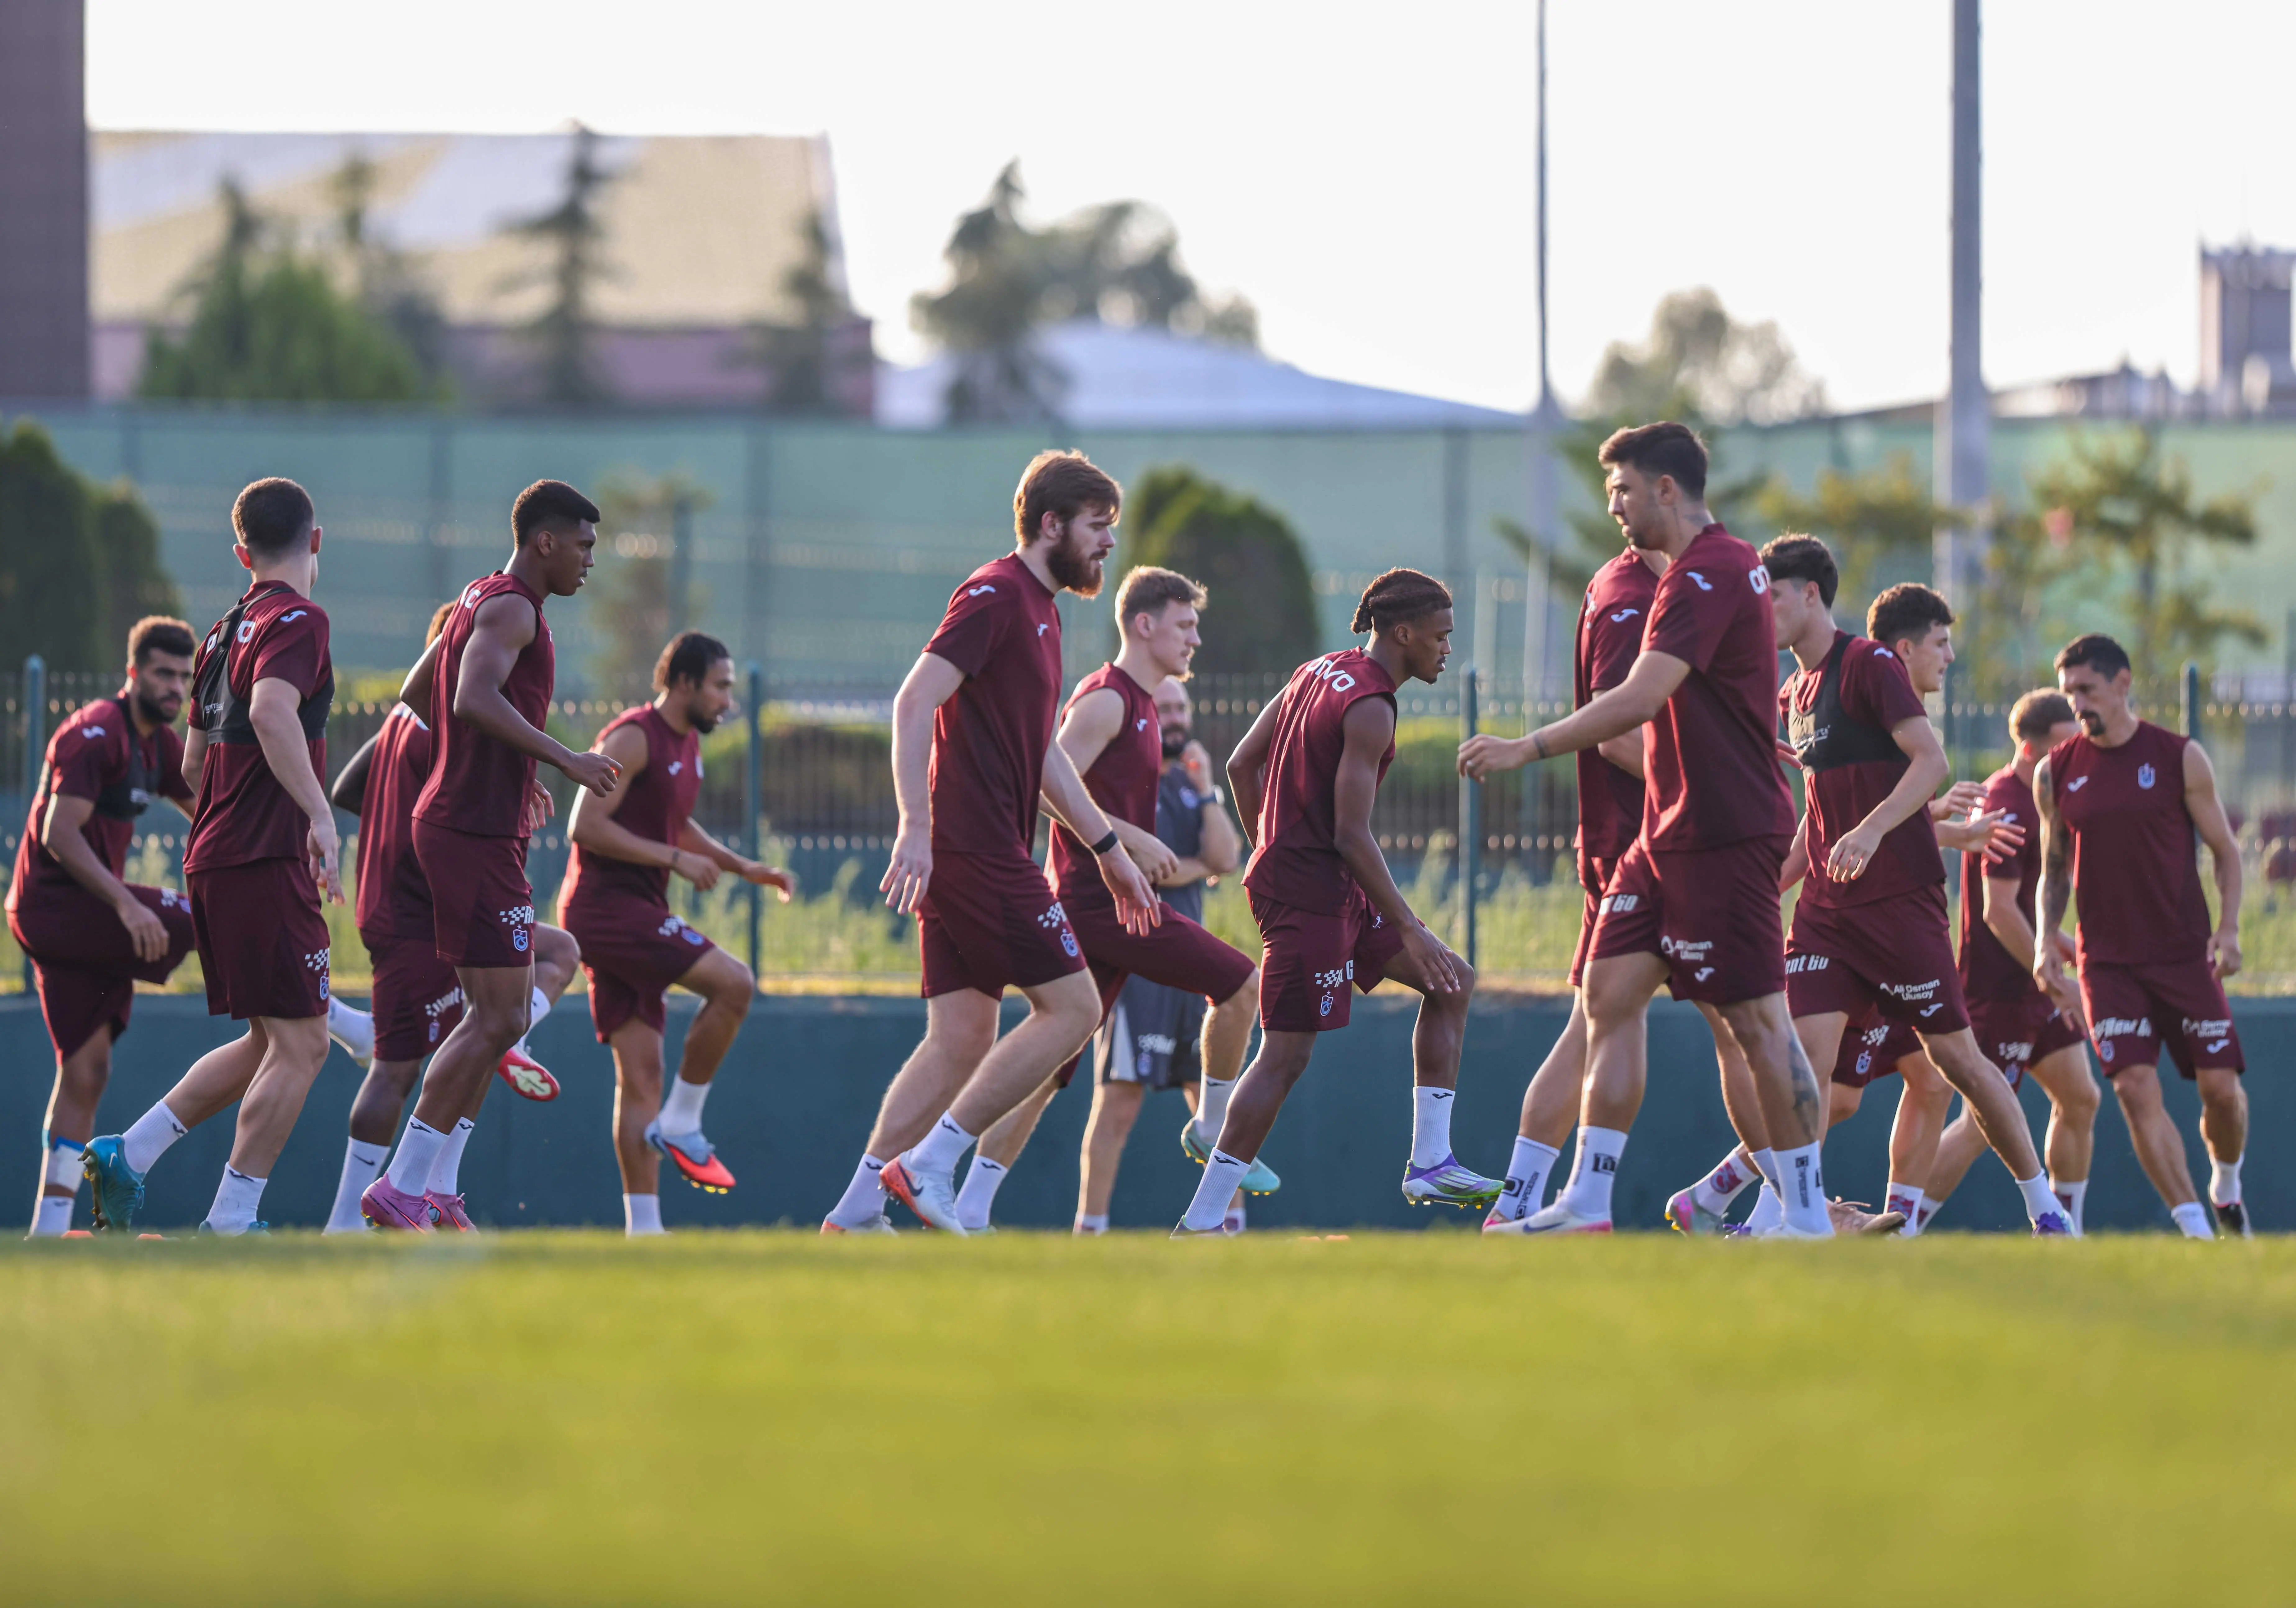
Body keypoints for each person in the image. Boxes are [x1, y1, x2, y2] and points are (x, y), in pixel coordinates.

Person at [1458, 424, 1826, 1236]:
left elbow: (1636, 699)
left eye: (1622, 489)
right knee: (1605, 995)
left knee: (1754, 1025)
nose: (1613, 507)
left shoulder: (1710, 569)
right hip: (1660, 838)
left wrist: (1527, 746)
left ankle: (1805, 1212)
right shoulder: (1670, 575)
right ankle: (1586, 1203)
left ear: (1666, 488)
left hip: (1724, 836)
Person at [821, 450, 1158, 1235]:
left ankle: (855, 1210)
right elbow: (913, 702)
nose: (1109, 542)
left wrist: (1107, 849)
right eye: (1097, 526)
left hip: (975, 850)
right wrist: (914, 826)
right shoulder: (996, 594)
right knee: (1074, 1009)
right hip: (974, 850)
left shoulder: (1042, 611)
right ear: (1051, 525)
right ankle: (930, 1165)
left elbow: (1043, 757)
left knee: (962, 1037)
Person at [1174, 566, 1495, 1237]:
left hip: (1327, 883)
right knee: (1284, 1056)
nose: (1446, 649)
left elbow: (1241, 764)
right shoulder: (1371, 706)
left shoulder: (1317, 669)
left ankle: (1430, 1162)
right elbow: (1351, 834)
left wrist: (1272, 845)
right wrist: (1408, 927)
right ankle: (1201, 1220)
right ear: (1401, 633)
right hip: (1309, 897)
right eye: (1439, 636)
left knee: (1452, 981)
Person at [82, 478, 364, 1235]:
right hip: (263, 857)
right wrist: (318, 817)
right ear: (316, 540)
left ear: (242, 553)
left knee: (270, 1040)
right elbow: (272, 711)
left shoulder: (220, 633)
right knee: (304, 1045)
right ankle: (233, 1220)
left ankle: (129, 1152)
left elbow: (193, 763)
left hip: (217, 855)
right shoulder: (301, 618)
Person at [942, 570, 1261, 1234]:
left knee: (1046, 1073)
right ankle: (1210, 1128)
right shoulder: (1107, 699)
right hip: (1096, 909)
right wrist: (1125, 841)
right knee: (1240, 984)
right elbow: (1037, 784)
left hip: (1115, 909)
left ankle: (965, 1205)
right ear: (1144, 625)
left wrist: (1129, 843)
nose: (1195, 639)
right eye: (1184, 624)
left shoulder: (1141, 705)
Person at [1757, 553, 2066, 1234]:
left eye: (1770, 594)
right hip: (1827, 915)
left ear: (1810, 595)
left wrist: (1871, 831)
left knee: (1954, 1063)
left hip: (1900, 909)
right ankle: (1789, 1218)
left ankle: (2044, 1208)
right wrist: (1764, 891)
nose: (1761, 609)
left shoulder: (1868, 663)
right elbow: (1818, 818)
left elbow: (1932, 763)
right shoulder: (1791, 693)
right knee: (1802, 1066)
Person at [359, 480, 622, 1232]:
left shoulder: (481, 595)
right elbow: (469, 698)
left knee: (494, 1018)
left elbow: (418, 690)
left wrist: (507, 768)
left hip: (468, 823)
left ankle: (434, 1187)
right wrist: (562, 758)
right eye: (584, 546)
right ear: (545, 541)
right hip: (470, 833)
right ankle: (402, 1185)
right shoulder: (514, 609)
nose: (589, 561)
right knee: (500, 1017)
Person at [319, 601, 582, 1234]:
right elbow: (443, 815)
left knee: (539, 972)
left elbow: (348, 790)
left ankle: (436, 1185)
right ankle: (347, 1223)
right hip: (417, 908)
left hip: (404, 898)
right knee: (397, 1067)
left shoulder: (402, 722)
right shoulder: (442, 728)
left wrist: (393, 825)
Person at [561, 632, 793, 1236]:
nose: (727, 701)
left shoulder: (687, 742)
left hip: (637, 907)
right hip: (606, 909)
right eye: (720, 687)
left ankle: (644, 1231)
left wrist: (743, 867)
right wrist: (674, 859)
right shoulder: (633, 737)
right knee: (735, 984)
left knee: (642, 1077)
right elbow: (585, 825)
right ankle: (685, 1121)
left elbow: (676, 822)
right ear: (684, 683)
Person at [2037, 633, 2249, 1238]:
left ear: (2122, 683)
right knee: (2132, 1088)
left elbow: (2225, 851)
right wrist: (2044, 940)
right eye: (2068, 693)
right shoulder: (2056, 771)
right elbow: (2054, 867)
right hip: (2106, 964)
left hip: (2184, 956)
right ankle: (2195, 1229)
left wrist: (2228, 928)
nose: (2077, 703)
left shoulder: (2179, 757)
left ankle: (2225, 1186)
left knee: (2220, 1092)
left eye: (2087, 689)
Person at [10, 617, 199, 1236]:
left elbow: (208, 813)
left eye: (184, 677)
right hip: (57, 907)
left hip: (86, 918)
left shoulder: (159, 744)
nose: (175, 688)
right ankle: (329, 1017)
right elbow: (58, 834)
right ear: (133, 673)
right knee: (199, 916)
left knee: (87, 1069)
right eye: (163, 674)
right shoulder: (96, 732)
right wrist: (128, 906)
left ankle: (48, 1230)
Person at [1068, 674, 1251, 1234]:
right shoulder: (1135, 784)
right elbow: (1146, 866)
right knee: (1119, 1100)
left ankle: (1228, 1225)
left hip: (1191, 964)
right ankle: (1090, 1228)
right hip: (1139, 956)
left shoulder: (1189, 783)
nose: (1174, 717)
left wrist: (1206, 788)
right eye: (1164, 707)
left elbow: (1225, 857)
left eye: (1180, 708)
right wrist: (1186, 865)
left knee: (1212, 1097)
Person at [1914, 690, 2101, 1234]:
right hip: (1999, 991)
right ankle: (1901, 1223)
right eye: (2063, 748)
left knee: (2080, 1098)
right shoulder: (2007, 804)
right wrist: (2052, 974)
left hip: (2034, 987)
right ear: (2029, 749)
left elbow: (2025, 905)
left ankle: (2067, 1231)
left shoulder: (2045, 796)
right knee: (1981, 1126)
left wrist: (2063, 946)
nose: (2074, 758)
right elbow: (1998, 911)